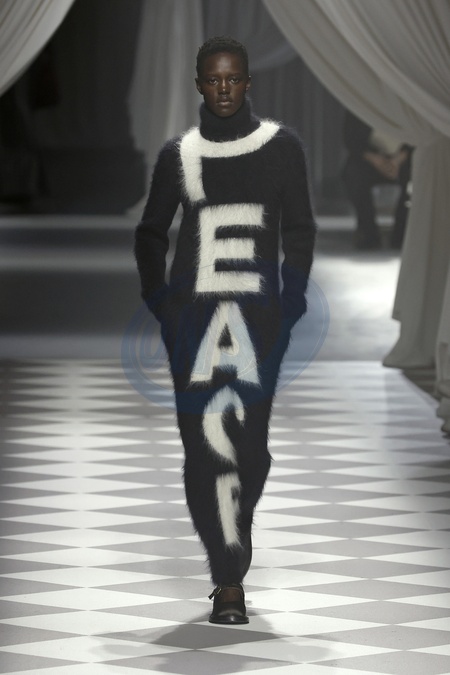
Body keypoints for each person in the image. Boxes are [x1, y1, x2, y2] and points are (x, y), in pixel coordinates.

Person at [134, 36, 316, 624]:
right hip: (194, 325)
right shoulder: (181, 155)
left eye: (233, 78)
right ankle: (228, 577)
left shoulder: (281, 148)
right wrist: (162, 302)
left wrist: (291, 303)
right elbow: (150, 232)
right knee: (204, 447)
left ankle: (234, 547)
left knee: (252, 451)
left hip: (259, 323)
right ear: (198, 83)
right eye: (214, 79)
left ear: (247, 81)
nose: (224, 89)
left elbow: (301, 230)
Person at [341, 109, 413, 249]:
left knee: (416, 177)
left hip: (403, 159)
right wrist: (375, 159)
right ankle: (368, 233)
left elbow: (419, 139)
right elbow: (350, 139)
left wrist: (397, 160)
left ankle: (402, 234)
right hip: (370, 158)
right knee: (352, 174)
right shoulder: (360, 102)